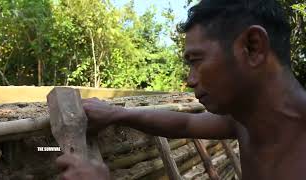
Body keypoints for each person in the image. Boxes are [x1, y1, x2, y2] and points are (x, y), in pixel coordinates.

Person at [56, 0, 306, 179]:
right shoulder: (247, 123)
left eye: (196, 60)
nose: (189, 79)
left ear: (252, 47)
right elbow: (185, 124)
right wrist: (117, 114)